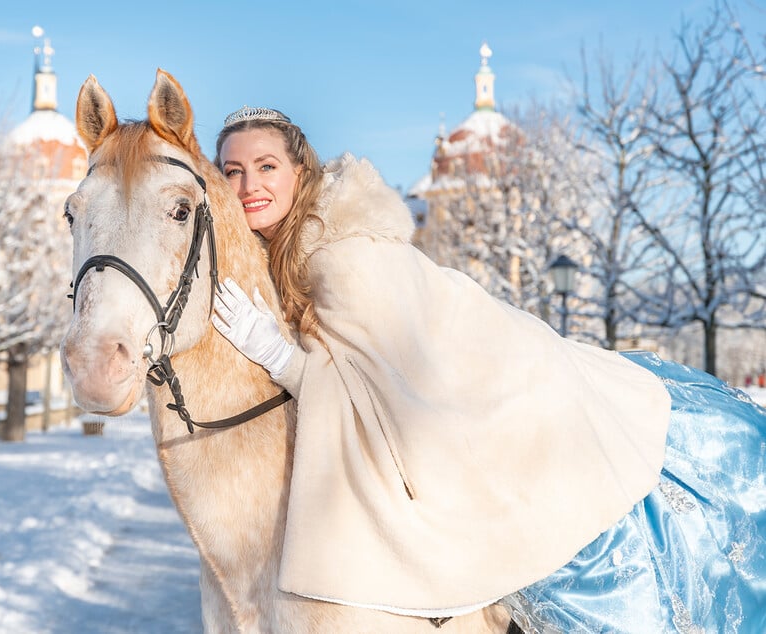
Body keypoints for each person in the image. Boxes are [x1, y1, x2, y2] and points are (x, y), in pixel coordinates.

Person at [210, 105, 766, 631]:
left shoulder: (339, 254)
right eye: (232, 171)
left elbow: (388, 393)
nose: (248, 186)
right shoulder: (292, 245)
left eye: (266, 166)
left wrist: (282, 359)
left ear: (299, 169)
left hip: (503, 381)